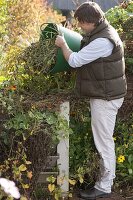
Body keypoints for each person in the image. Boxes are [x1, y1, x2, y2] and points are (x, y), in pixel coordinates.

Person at [55, 2, 127, 199]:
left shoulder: (103, 41)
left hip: (105, 98)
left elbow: (75, 61)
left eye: (81, 22)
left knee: (104, 143)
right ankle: (105, 182)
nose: (79, 26)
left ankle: (104, 187)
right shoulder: (102, 31)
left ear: (90, 21)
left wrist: (63, 45)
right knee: (104, 141)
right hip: (107, 94)